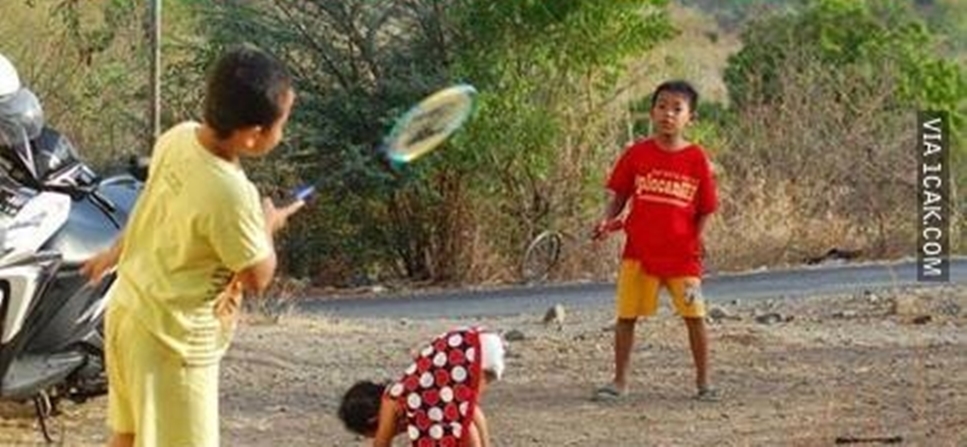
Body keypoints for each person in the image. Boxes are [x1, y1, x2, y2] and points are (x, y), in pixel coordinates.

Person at [81, 45, 304, 447]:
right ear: (254, 136)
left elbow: (152, 209)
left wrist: (111, 255)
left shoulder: (178, 137)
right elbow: (257, 276)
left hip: (129, 314)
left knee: (128, 436)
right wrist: (267, 225)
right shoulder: (232, 192)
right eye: (282, 124)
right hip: (173, 344)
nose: (282, 134)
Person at [592, 80, 719, 402]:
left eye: (677, 109)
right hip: (639, 251)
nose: (668, 114)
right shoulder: (636, 154)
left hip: (682, 255)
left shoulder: (696, 158)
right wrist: (608, 221)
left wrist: (698, 237)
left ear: (691, 117)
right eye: (662, 106)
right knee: (626, 317)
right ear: (652, 111)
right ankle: (619, 381)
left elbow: (705, 206)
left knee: (695, 317)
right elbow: (620, 194)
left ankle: (704, 383)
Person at [338, 327, 506, 447]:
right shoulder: (419, 393)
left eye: (371, 434)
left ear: (373, 420)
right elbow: (472, 412)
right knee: (465, 410)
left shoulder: (391, 399)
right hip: (479, 340)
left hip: (468, 351)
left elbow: (382, 443)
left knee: (461, 421)